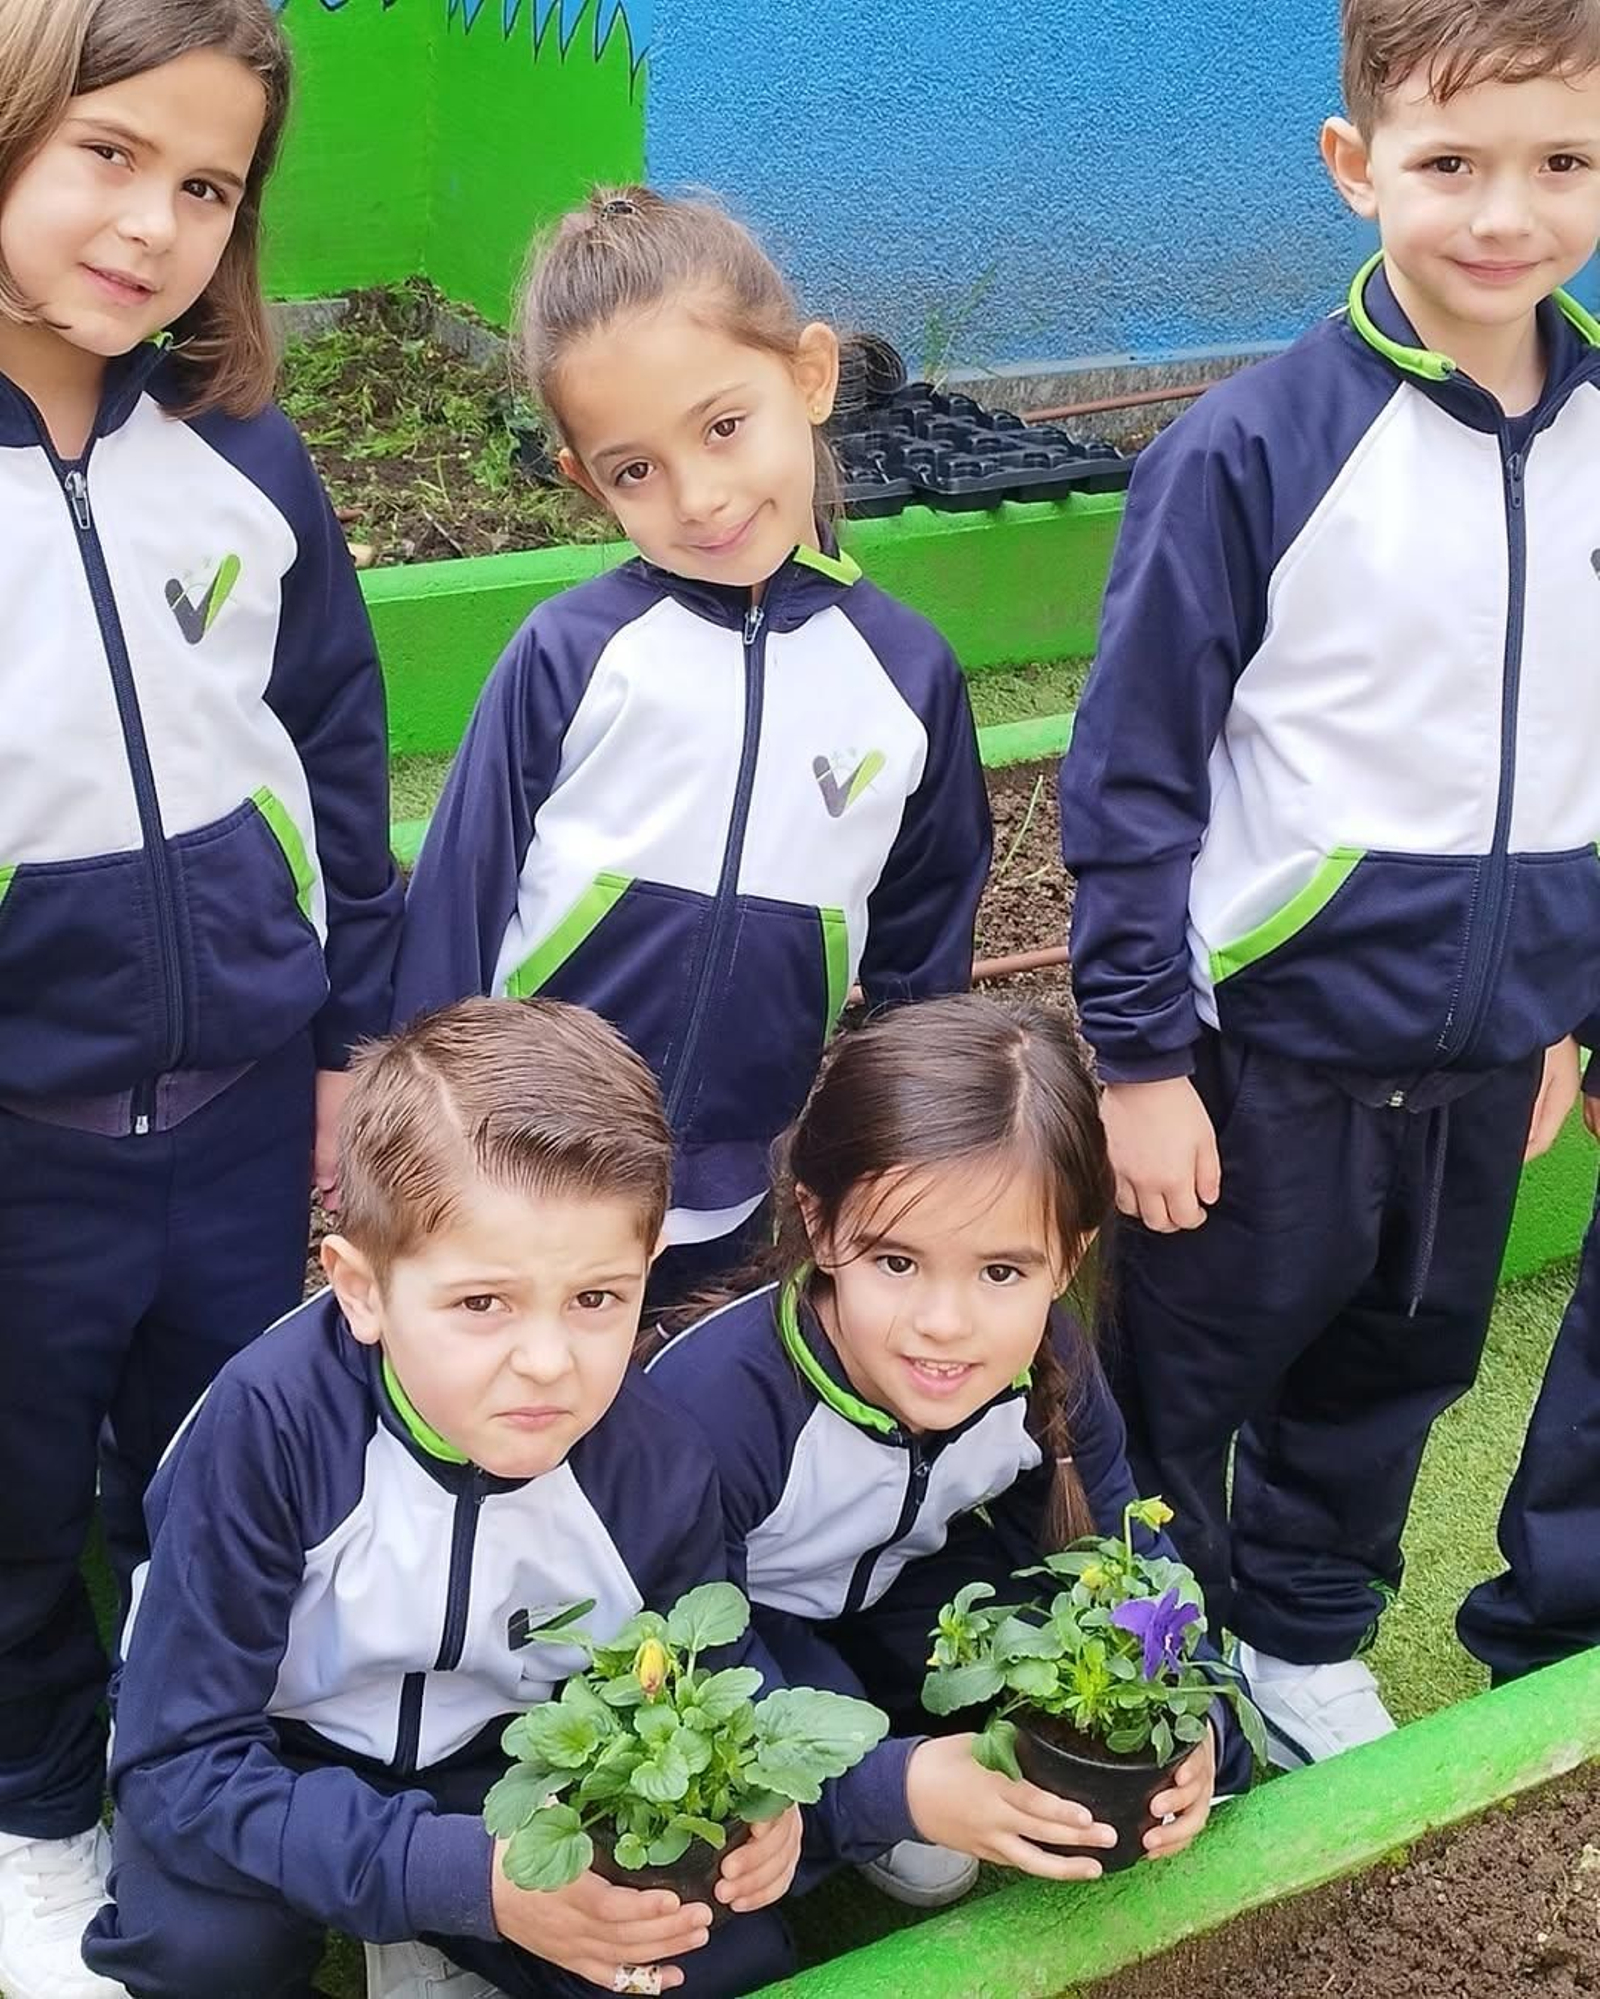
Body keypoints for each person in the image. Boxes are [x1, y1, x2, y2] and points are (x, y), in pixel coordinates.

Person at [1058, 0, 1600, 1766]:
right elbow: (1131, 780)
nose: (1505, 213)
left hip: (1484, 1055)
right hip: (1261, 1055)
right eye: (1452, 163)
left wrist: (1567, 1015)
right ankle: (1151, 1657)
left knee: (1397, 1373)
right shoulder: (1254, 447)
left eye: (1562, 162)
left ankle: (1300, 1638)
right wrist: (1140, 1059)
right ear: (1356, 167)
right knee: (1186, 1384)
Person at [0, 3, 401, 1989]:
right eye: (105, 152)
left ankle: (207, 1774)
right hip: (23, 1138)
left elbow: (334, 736)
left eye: (205, 184)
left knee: (217, 1468)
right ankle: (29, 1808)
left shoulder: (238, 447)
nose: (150, 223)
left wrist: (347, 1043)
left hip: (248, 1106)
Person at [82, 999, 801, 1999]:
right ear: (360, 1287)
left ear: (647, 1272)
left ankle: (434, 1935)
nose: (547, 1362)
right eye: (481, 1302)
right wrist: (465, 1878)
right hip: (270, 1758)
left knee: (705, 1952)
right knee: (205, 1954)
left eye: (596, 1298)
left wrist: (764, 1790)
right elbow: (177, 1767)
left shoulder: (657, 1460)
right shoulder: (268, 1432)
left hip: (508, 1755)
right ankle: (425, 1915)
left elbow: (704, 1666)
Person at [391, 186, 990, 1311]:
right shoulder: (571, 652)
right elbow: (455, 916)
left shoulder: (906, 678)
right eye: (635, 470)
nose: (699, 498)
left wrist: (899, 1155)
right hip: (522, 1184)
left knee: (679, 1462)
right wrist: (420, 1153)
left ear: (809, 377)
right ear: (584, 480)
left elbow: (922, 964)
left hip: (734, 1198)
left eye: (724, 427)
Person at [648, 995, 1250, 1912]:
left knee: (1202, 1731)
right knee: (723, 1858)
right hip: (741, 1625)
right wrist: (901, 1787)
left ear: (1066, 1254)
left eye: (1001, 1271)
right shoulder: (712, 1410)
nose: (945, 1322)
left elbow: (1129, 1552)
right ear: (819, 1221)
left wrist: (1189, 1717)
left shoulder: (1051, 1357)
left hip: (900, 1587)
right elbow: (685, 1669)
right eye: (897, 1261)